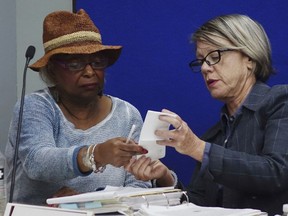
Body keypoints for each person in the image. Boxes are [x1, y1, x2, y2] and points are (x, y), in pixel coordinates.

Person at [125, 14, 288, 216]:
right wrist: (165, 177)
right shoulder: (214, 135)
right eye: (201, 61)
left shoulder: (280, 102)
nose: (204, 68)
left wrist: (197, 148)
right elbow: (199, 204)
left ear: (249, 58)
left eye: (214, 57)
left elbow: (278, 173)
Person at [5, 9, 150, 205]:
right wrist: (95, 154)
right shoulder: (35, 106)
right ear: (52, 70)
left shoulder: (127, 114)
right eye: (75, 64)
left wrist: (89, 203)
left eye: (97, 62)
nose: (90, 72)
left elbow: (139, 185)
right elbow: (37, 161)